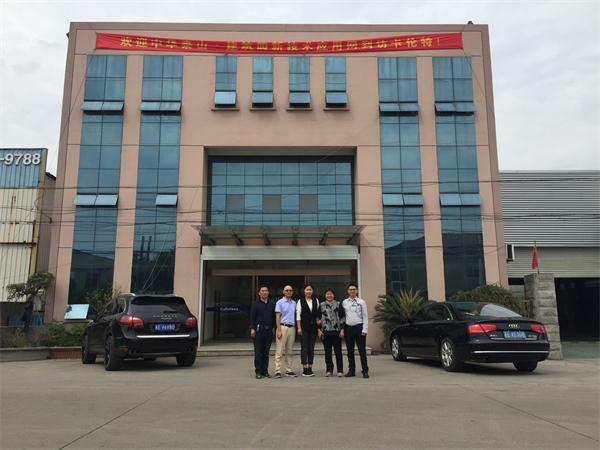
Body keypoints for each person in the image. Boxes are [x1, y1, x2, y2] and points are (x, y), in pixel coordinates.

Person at [341, 283, 369, 378]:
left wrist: (365, 329)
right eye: (350, 289)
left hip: (359, 328)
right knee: (350, 351)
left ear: (356, 291)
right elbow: (343, 317)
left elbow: (365, 316)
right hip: (348, 328)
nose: (352, 291)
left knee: (362, 351)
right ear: (348, 291)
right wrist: (342, 329)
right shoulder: (344, 302)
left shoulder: (361, 302)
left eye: (354, 289)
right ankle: (351, 370)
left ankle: (365, 370)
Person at [317, 288, 345, 377]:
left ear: (333, 295)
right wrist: (319, 330)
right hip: (325, 332)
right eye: (327, 294)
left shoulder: (338, 304)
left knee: (338, 352)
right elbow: (317, 318)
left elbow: (342, 317)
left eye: (331, 294)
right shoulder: (321, 305)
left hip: (336, 332)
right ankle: (329, 370)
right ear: (325, 295)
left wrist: (342, 330)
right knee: (327, 352)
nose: (329, 295)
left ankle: (340, 370)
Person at [249, 286, 276, 379]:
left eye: (266, 291)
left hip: (269, 331)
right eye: (262, 291)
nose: (264, 292)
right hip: (258, 331)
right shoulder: (255, 304)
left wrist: (274, 328)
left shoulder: (272, 303)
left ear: (268, 293)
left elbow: (273, 317)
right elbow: (252, 316)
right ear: (259, 293)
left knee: (266, 352)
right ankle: (258, 371)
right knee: (258, 352)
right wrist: (252, 328)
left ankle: (265, 371)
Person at [296, 284, 320, 377]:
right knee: (304, 348)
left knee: (311, 348)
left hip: (313, 328)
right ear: (304, 291)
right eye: (307, 290)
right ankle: (304, 368)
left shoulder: (316, 300)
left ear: (312, 291)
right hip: (304, 327)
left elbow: (317, 314)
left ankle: (310, 367)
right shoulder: (300, 301)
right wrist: (299, 327)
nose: (308, 291)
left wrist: (319, 327)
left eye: (310, 290)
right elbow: (298, 314)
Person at [274, 285, 298, 378]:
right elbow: (277, 317)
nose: (288, 292)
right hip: (282, 327)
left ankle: (288, 370)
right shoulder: (280, 302)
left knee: (289, 350)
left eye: (290, 290)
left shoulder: (294, 303)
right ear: (283, 292)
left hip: (292, 328)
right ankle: (277, 370)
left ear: (292, 292)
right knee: (280, 349)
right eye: (287, 290)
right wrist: (278, 330)